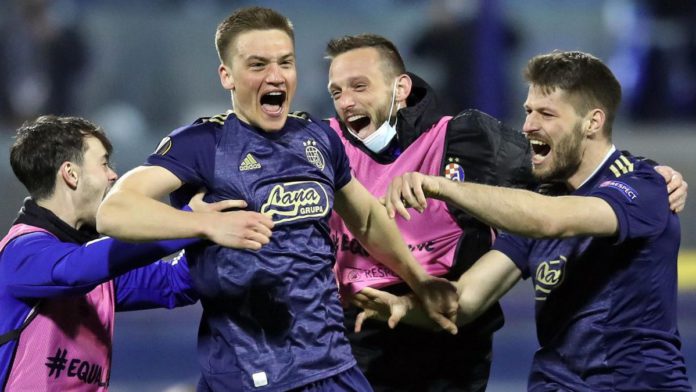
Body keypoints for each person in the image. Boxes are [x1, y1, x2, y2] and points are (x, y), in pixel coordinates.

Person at [96, 7, 458, 392]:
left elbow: (366, 218)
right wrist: (205, 224)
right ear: (227, 76)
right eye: (258, 65)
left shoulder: (319, 138)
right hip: (251, 373)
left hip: (333, 365)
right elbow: (114, 211)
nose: (275, 76)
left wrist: (419, 281)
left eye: (285, 62)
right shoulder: (203, 144)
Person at [324, 34, 688, 392]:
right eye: (528, 111)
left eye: (546, 114)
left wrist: (441, 185)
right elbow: (464, 301)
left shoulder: (644, 187)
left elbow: (554, 220)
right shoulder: (531, 206)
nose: (528, 126)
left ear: (592, 122)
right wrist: (404, 306)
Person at [0, 115, 249, 390]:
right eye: (104, 163)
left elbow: (174, 284)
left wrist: (215, 221)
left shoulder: (97, 266)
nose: (113, 175)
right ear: (71, 174)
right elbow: (75, 271)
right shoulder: (19, 253)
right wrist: (190, 222)